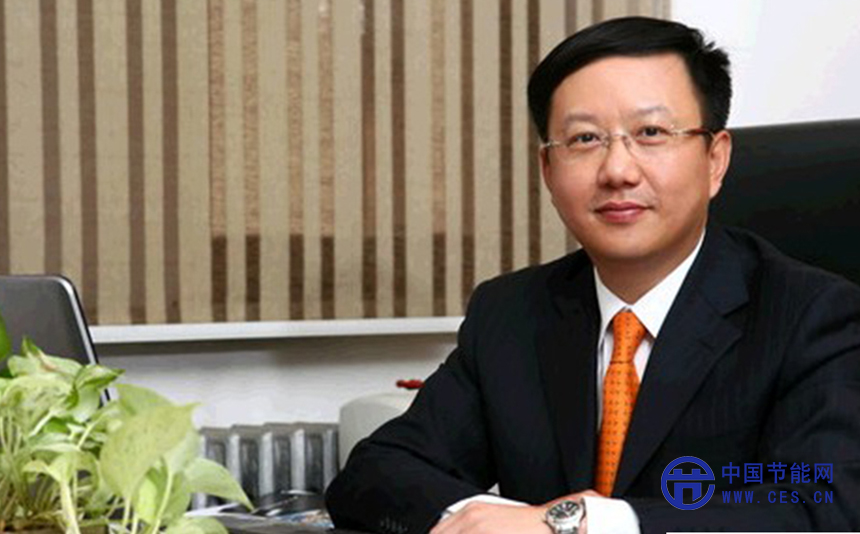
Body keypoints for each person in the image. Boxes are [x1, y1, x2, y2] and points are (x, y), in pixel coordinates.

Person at [325, 16, 860, 534]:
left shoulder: (810, 315)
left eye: (651, 132)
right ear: (547, 170)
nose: (618, 171)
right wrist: (476, 521)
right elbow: (378, 471)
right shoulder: (510, 314)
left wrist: (576, 524)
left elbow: (821, 503)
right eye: (584, 139)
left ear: (715, 160)